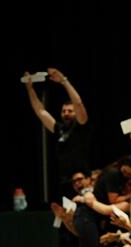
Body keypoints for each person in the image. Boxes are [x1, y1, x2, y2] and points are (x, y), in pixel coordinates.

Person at [24, 67, 91, 200]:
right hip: (65, 182)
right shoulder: (59, 129)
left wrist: (64, 81)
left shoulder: (82, 126)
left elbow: (78, 103)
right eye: (63, 111)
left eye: (69, 111)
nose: (66, 114)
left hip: (82, 180)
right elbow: (41, 112)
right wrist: (30, 89)